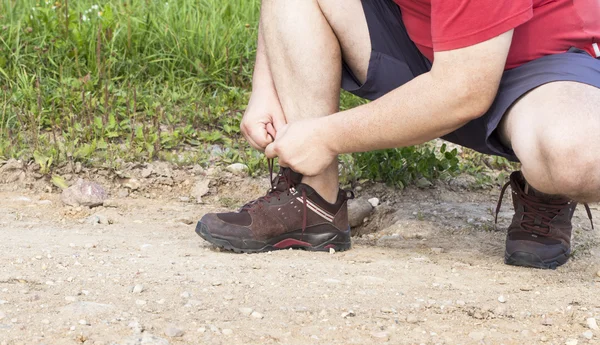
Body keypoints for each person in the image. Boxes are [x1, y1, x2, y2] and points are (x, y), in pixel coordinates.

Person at [196, 0, 599, 269]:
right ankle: (313, 200)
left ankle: (544, 182)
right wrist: (265, 84)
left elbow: (465, 90)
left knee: (577, 155)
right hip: (428, 44)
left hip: (546, 65)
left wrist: (325, 135)